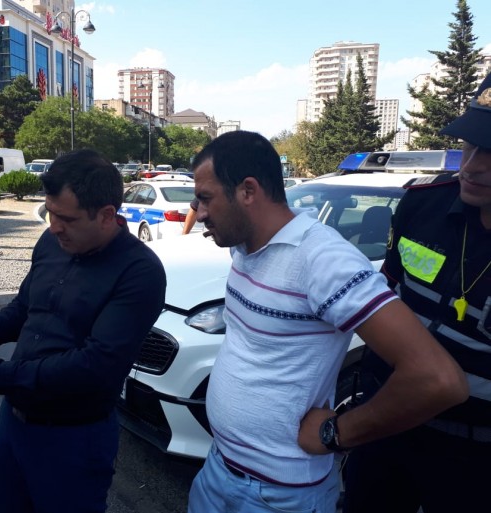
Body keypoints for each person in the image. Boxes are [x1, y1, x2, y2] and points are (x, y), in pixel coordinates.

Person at [186, 130, 468, 513]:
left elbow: (437, 380)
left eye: (205, 198)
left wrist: (335, 433)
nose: (199, 213)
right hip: (218, 468)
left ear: (248, 191)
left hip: (276, 497)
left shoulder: (323, 260)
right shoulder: (245, 246)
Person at [0, 149, 167, 513]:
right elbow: (25, 309)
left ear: (107, 215)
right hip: (13, 426)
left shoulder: (140, 272)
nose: (54, 226)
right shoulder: (52, 242)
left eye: (67, 219)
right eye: (51, 213)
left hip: (74, 441)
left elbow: (96, 366)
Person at [342, 72, 491, 513]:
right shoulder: (422, 205)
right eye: (470, 145)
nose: (471, 165)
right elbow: (387, 296)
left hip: (476, 461)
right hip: (384, 430)